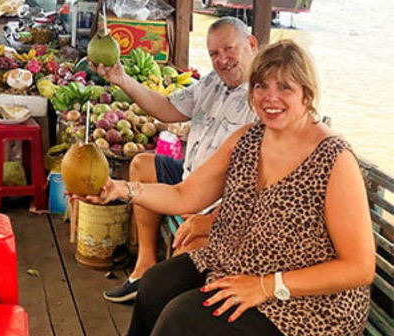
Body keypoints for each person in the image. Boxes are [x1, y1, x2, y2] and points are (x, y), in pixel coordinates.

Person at [82, 40, 374, 336]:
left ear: (307, 94)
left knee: (182, 320)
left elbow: (360, 267)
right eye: (261, 86)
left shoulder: (333, 158)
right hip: (238, 262)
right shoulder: (248, 138)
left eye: (285, 87)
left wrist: (267, 286)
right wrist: (120, 189)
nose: (270, 98)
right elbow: (185, 195)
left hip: (305, 303)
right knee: (156, 285)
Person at [96, 17, 259, 303]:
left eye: (229, 49)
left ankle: (163, 298)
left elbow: (260, 186)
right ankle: (145, 265)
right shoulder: (212, 82)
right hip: (189, 181)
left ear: (252, 44)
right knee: (142, 165)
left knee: (182, 259)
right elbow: (168, 109)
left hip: (220, 202)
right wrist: (122, 79)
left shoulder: (265, 100)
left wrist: (209, 217)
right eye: (214, 54)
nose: (222, 60)